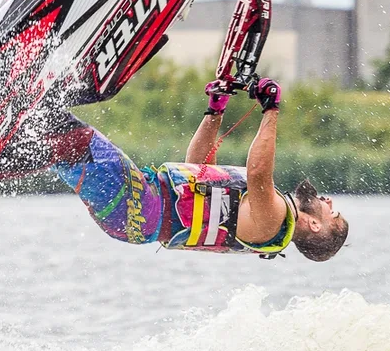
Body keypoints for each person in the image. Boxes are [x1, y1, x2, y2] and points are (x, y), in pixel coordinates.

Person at [31, 77, 348, 261]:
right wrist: (216, 109)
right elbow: (197, 168)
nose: (329, 203)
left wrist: (271, 110)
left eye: (331, 213)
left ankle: (20, 94)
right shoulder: (267, 221)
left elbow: (259, 173)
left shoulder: (274, 223)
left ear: (316, 227)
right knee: (55, 146)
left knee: (69, 137)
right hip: (136, 213)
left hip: (141, 208)